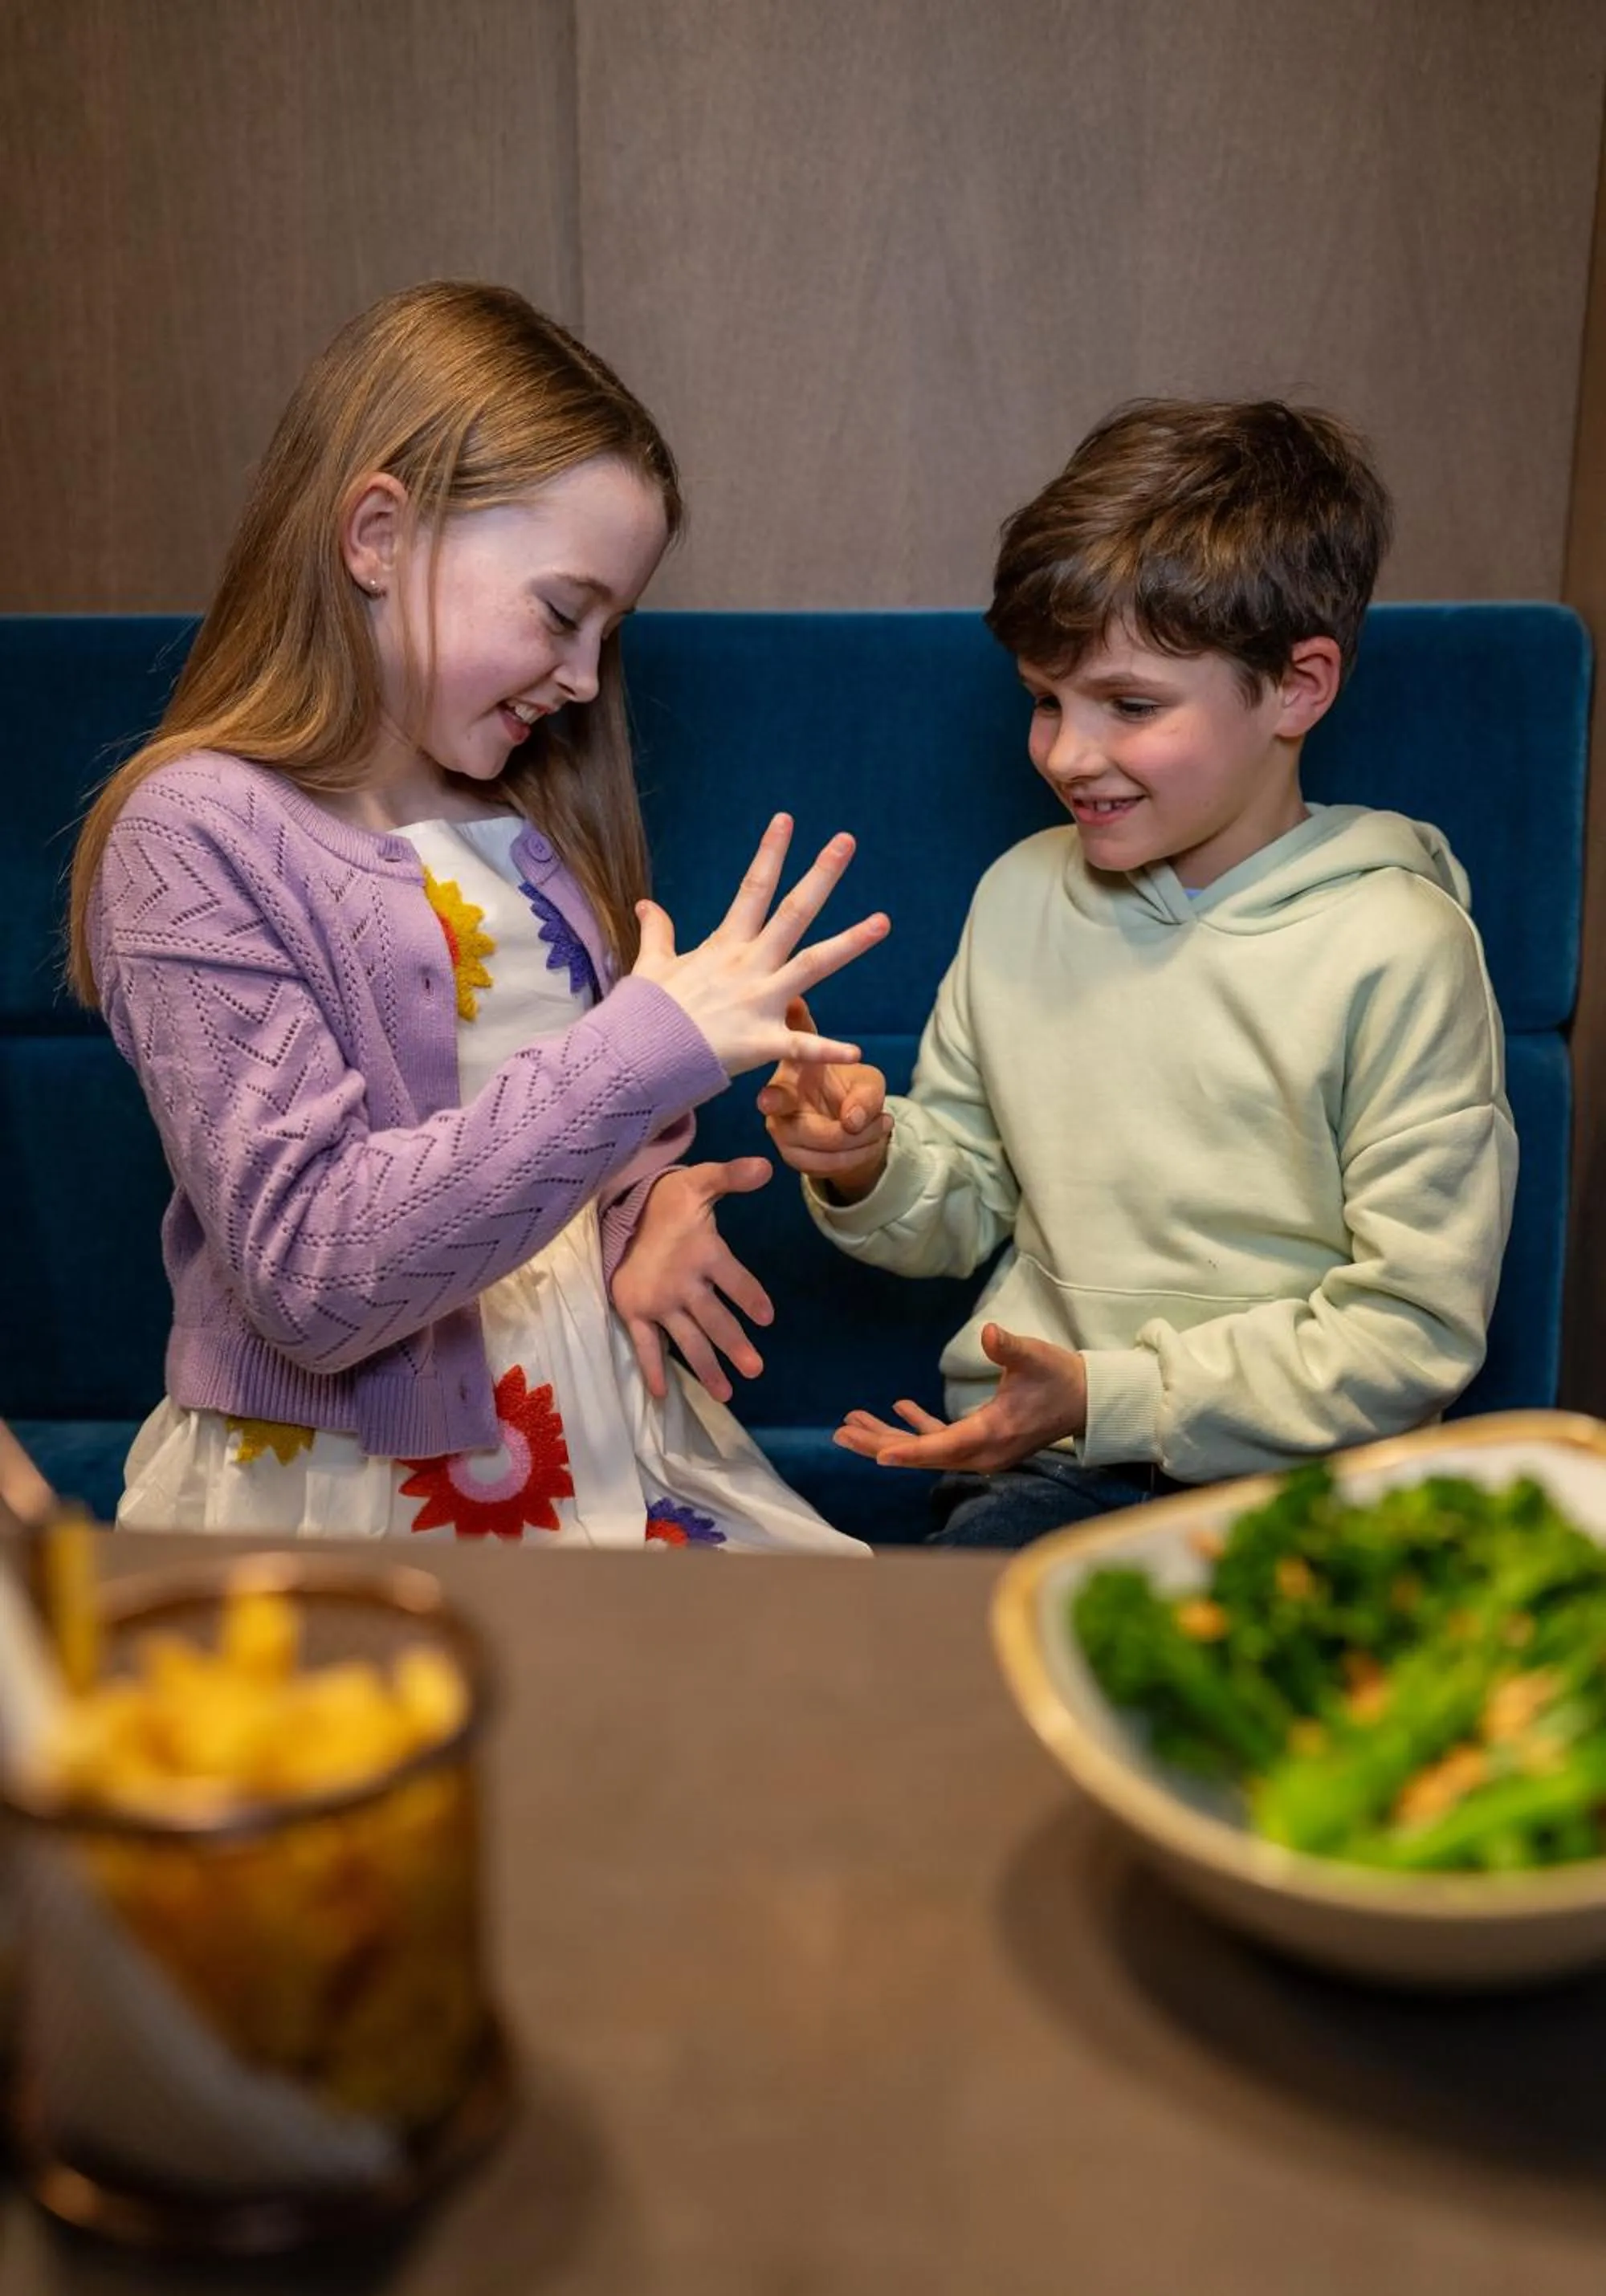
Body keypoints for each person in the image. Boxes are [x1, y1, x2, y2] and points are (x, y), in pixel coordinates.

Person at [71, 281, 887, 1551]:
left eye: (609, 633)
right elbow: (312, 1274)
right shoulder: (194, 834)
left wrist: (645, 1217)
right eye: (562, 613)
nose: (581, 677)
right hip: (354, 1478)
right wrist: (650, 1041)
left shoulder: (525, 827)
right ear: (379, 536)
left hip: (604, 1426)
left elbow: (557, 1137)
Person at [759, 399, 1517, 1548]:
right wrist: (867, 1165)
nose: (1069, 753)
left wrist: (1116, 1397)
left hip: (1317, 1497)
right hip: (1045, 1474)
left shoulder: (1400, 947)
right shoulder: (1021, 895)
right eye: (1044, 701)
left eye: (1130, 704)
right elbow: (963, 1204)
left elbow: (1412, 1331)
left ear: (1300, 687)